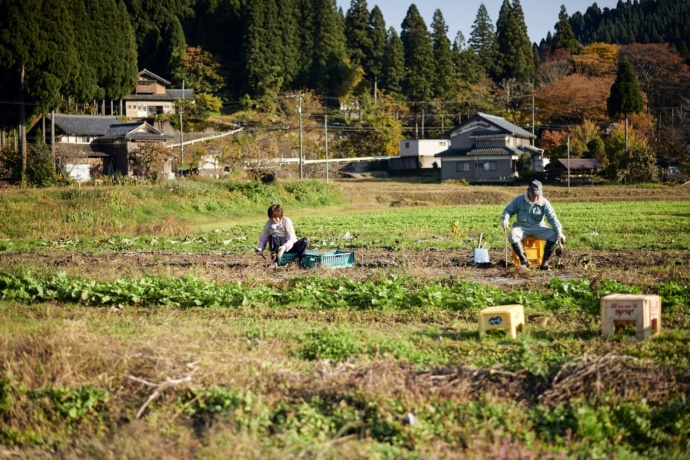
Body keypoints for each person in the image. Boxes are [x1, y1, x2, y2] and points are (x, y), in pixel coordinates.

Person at [501, 180, 565, 270]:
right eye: (534, 194)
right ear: (528, 191)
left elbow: (552, 218)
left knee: (554, 235)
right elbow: (508, 210)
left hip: (539, 227)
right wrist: (505, 219)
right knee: (512, 235)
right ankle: (524, 262)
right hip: (522, 227)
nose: (536, 197)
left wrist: (559, 232)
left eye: (538, 195)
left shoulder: (544, 202)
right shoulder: (519, 199)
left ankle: (544, 264)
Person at [255, 204, 309, 269]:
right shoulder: (269, 223)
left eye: (276, 217)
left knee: (305, 241)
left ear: (281, 216)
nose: (275, 220)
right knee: (273, 236)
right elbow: (264, 238)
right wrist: (260, 248)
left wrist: (284, 247)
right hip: (278, 248)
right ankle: (274, 261)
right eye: (272, 218)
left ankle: (297, 261)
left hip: (290, 246)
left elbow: (291, 238)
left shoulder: (286, 221)